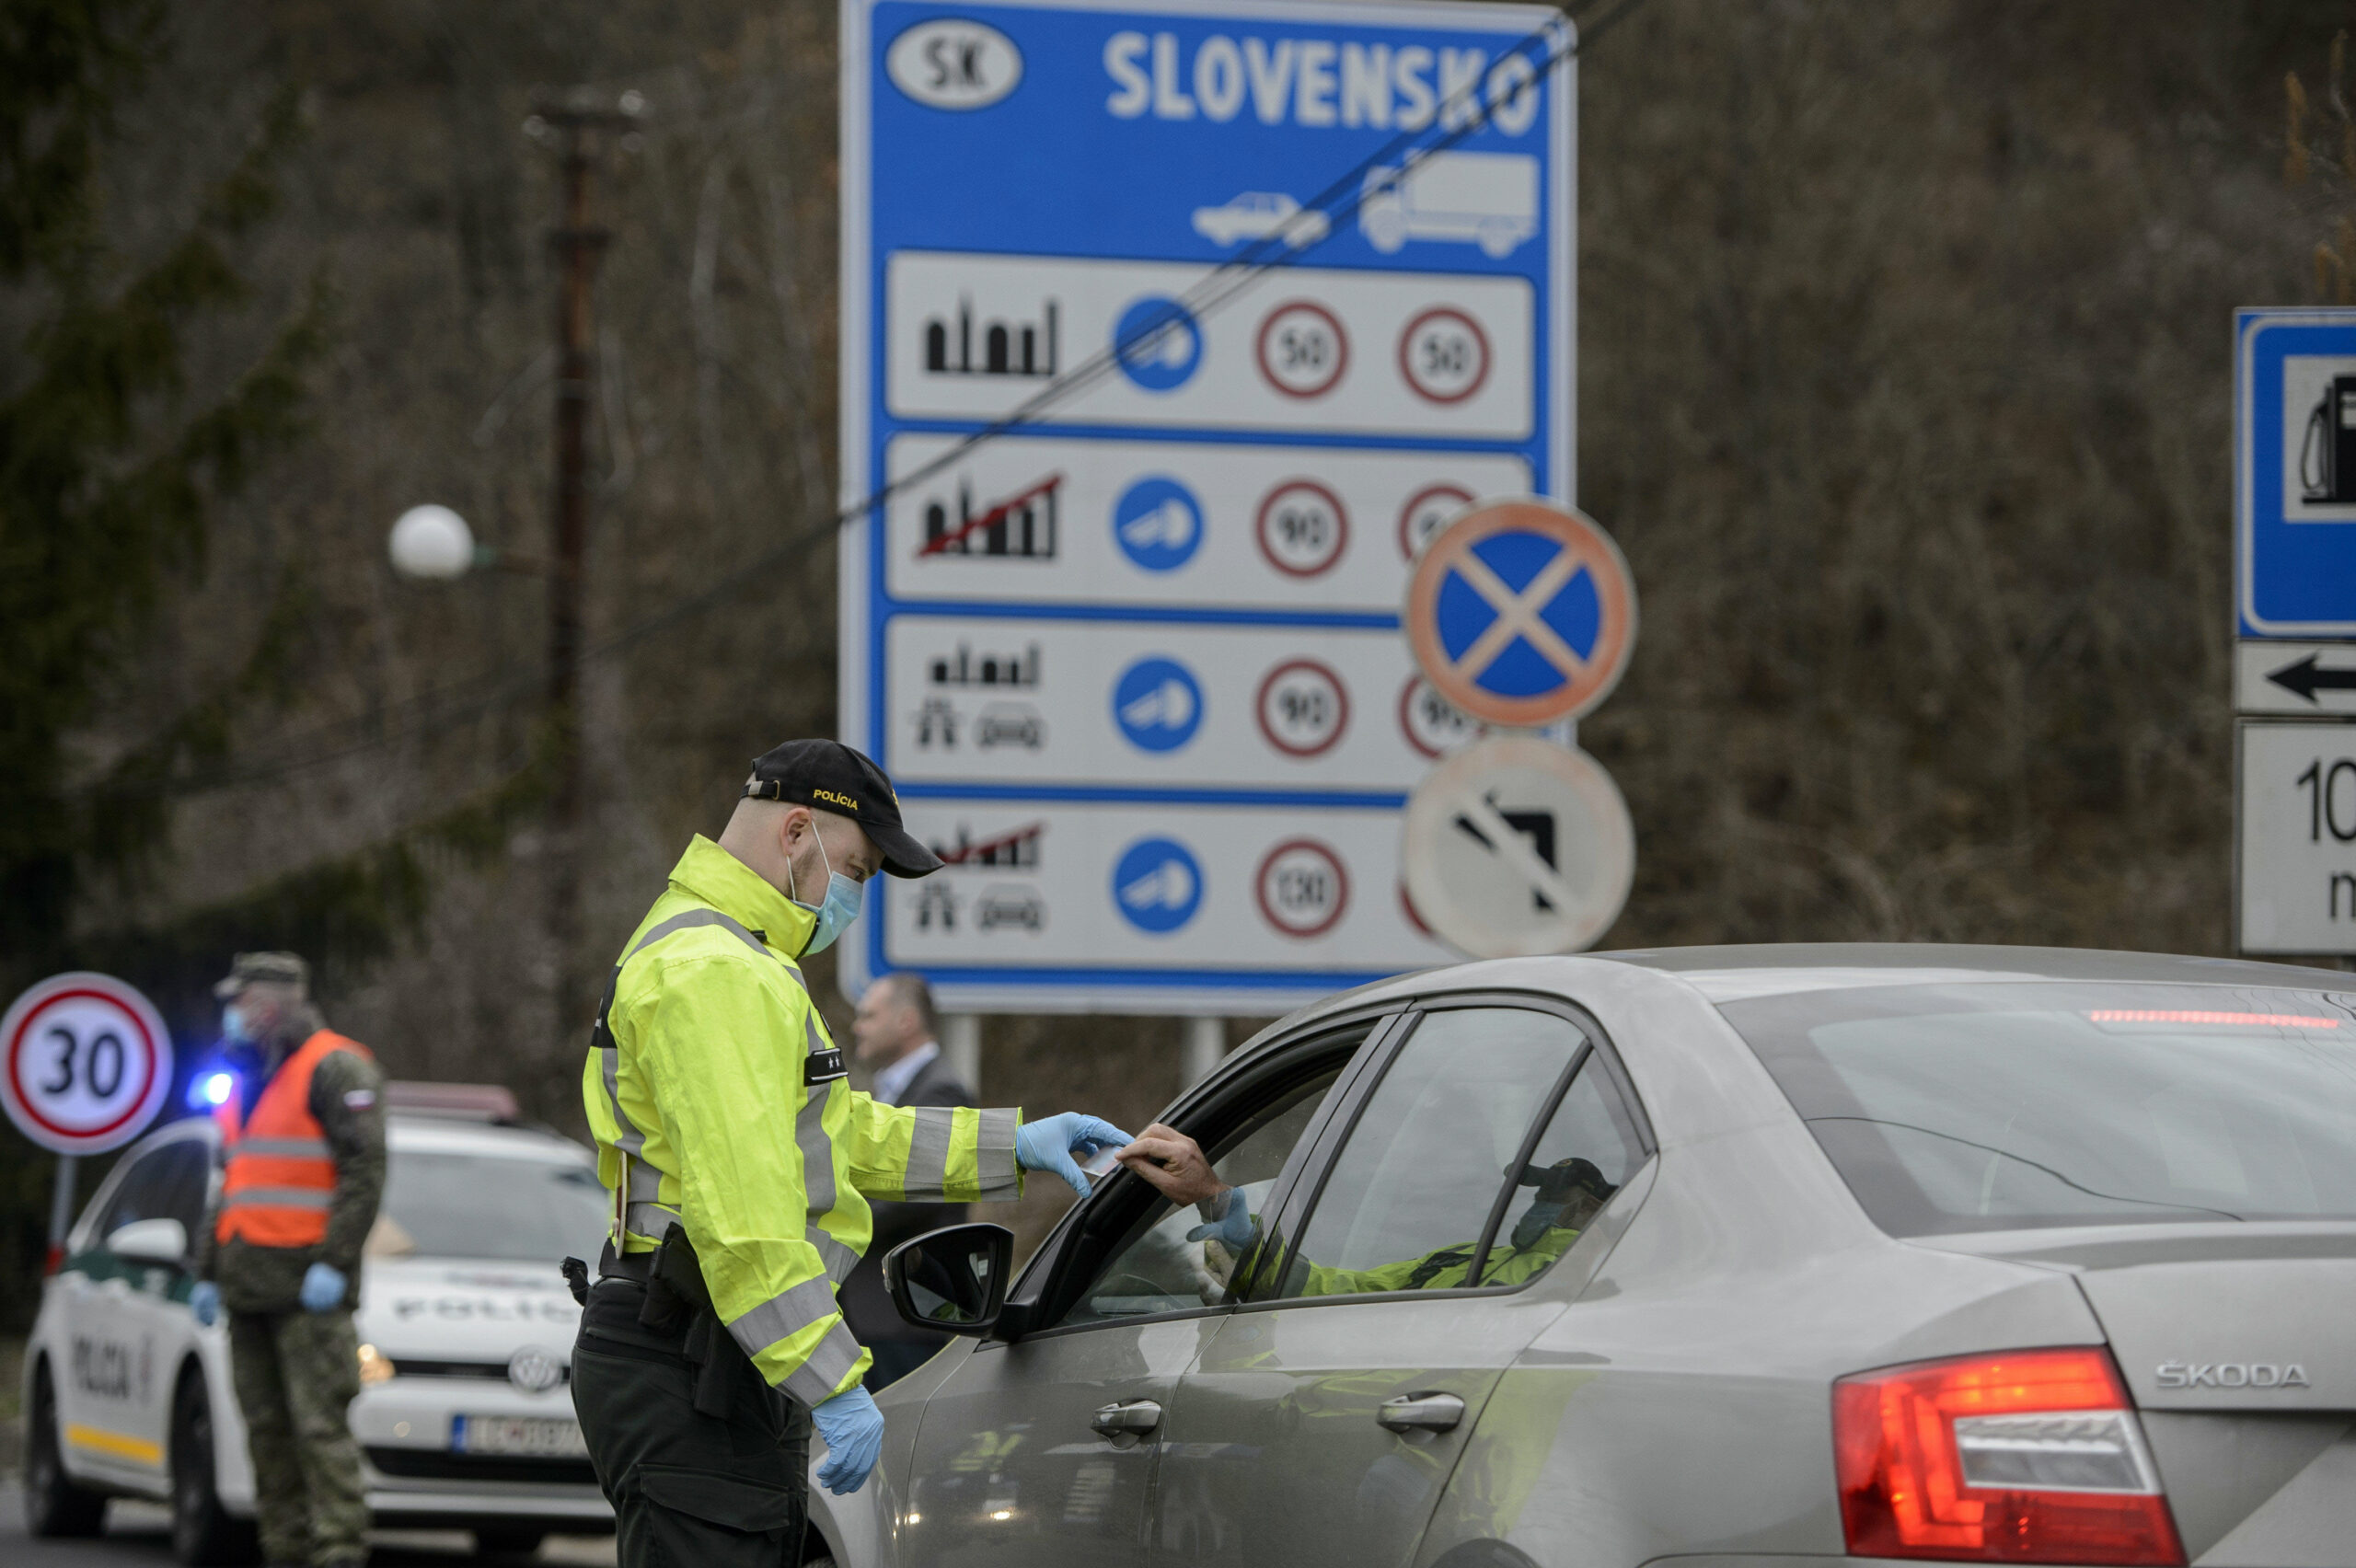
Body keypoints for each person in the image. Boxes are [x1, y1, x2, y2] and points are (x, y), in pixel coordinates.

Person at [572, 739, 1129, 1568]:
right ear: (797, 832)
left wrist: (1008, 1143)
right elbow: (745, 1219)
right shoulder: (722, 973)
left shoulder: (727, 954)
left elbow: (836, 1136)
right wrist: (831, 1380)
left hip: (703, 1346)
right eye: (860, 871)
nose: (856, 897)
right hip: (692, 1350)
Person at [187, 952, 386, 1568]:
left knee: (319, 1434)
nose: (231, 1016)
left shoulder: (335, 1067)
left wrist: (334, 1260)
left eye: (239, 1002)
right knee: (268, 1440)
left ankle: (337, 1555)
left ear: (268, 1005)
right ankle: (285, 1553)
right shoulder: (246, 1077)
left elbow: (364, 1170)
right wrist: (207, 1271)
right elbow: (234, 1184)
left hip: (307, 1292)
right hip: (248, 1289)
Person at [1115, 1123, 1616, 1297]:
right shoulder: (1458, 1260)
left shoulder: (1588, 1280)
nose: (1538, 1205)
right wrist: (1219, 1206)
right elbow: (1333, 1291)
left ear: (1592, 1207)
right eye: (1537, 1191)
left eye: (1556, 1196)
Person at [842, 972, 974, 1389]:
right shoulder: (895, 1091)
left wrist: (829, 1214)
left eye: (868, 1015)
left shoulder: (940, 1092)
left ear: (906, 1021)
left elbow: (910, 1197)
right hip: (878, 1312)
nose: (856, 1025)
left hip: (902, 1314)